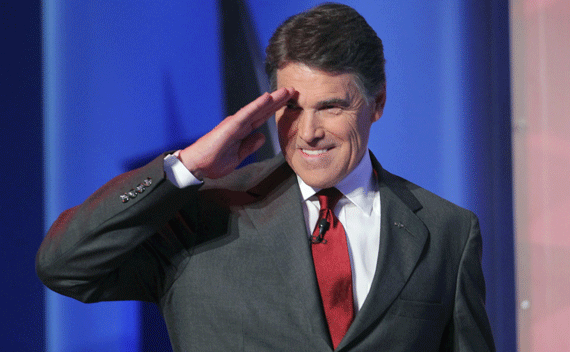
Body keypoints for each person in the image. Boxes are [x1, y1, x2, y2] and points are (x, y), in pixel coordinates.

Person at [36, 3, 495, 351]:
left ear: (377, 103)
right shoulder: (203, 212)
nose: (309, 132)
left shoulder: (446, 232)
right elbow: (65, 266)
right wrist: (185, 168)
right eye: (291, 107)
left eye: (331, 106)